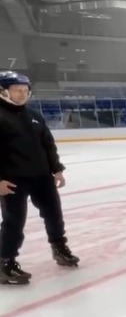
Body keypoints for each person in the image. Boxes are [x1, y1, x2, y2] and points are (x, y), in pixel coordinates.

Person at [0, 71, 79, 285]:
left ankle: (59, 248)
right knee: (14, 222)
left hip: (42, 177)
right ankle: (5, 263)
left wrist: (57, 169)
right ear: (4, 91)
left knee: (54, 215)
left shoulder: (34, 115)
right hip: (13, 180)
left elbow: (48, 145)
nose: (23, 94)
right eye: (18, 90)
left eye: (26, 90)